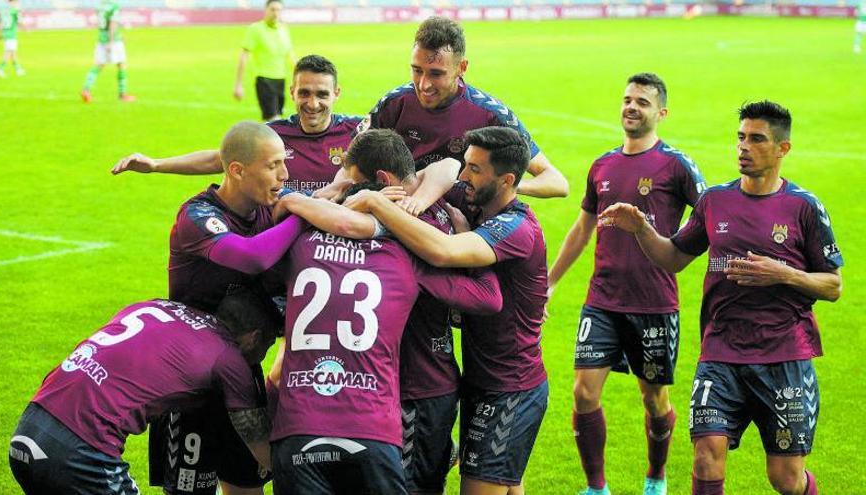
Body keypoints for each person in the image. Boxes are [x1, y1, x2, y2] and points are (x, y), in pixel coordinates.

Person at [599, 100, 843, 495]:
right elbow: (675, 257)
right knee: (705, 454)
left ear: (783, 149)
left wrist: (783, 274)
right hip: (720, 354)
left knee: (785, 479)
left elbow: (833, 286)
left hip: (782, 356)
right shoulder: (715, 201)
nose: (744, 147)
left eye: (757, 139)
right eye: (741, 138)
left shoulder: (804, 207)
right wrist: (642, 228)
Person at [345, 126, 549, 495]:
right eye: (467, 165)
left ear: (505, 180)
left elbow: (443, 253)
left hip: (510, 386)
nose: (463, 176)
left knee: (482, 486)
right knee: (506, 481)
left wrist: (376, 205)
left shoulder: (516, 227)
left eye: (474, 169)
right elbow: (440, 169)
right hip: (480, 378)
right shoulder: (476, 200)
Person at [271, 179, 503, 495]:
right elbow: (487, 299)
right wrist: (464, 236)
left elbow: (258, 248)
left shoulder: (301, 245)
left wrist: (301, 200)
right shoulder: (404, 257)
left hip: (299, 427)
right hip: (371, 428)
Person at [546, 73, 706, 495]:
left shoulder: (676, 165)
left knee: (654, 399)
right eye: (627, 99)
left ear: (661, 113)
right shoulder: (602, 165)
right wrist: (550, 282)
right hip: (602, 300)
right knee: (583, 392)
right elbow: (582, 229)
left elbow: (707, 216)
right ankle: (596, 487)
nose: (632, 107)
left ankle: (655, 476)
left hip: (654, 302)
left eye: (642, 102)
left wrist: (676, 248)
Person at [152, 121, 307, 495]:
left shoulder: (266, 213)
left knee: (247, 484)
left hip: (243, 372)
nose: (284, 175)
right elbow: (252, 257)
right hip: (192, 385)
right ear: (236, 170)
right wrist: (304, 214)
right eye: (273, 166)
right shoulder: (197, 217)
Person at [8, 289, 281, 494]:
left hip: (28, 429)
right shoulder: (229, 359)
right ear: (253, 337)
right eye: (267, 346)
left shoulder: (154, 306)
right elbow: (260, 449)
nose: (260, 357)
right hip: (80, 454)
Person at [357, 16, 569, 199]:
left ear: (462, 67)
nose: (423, 85)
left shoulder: (491, 115)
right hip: (402, 213)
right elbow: (352, 163)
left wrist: (500, 186)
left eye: (436, 73)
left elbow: (556, 182)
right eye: (417, 70)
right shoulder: (395, 103)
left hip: (462, 227)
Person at [112, 55, 357, 192]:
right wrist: (156, 165)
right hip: (284, 242)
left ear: (336, 93)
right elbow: (220, 159)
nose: (313, 104)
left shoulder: (357, 133)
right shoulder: (273, 135)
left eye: (322, 94)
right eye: (304, 93)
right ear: (292, 92)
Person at [235, 0, 296, 121]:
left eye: (278, 10)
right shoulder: (255, 29)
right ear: (266, 10)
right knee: (274, 120)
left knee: (276, 120)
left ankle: (266, 139)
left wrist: (300, 79)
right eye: (272, 9)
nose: (275, 13)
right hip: (264, 80)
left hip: (281, 80)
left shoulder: (283, 30)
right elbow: (244, 56)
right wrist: (239, 84)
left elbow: (291, 57)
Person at [80, 0, 134, 102]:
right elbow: (112, 24)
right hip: (112, 40)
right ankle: (122, 95)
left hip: (101, 38)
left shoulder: (100, 5)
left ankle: (86, 89)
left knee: (98, 65)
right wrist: (111, 41)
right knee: (121, 64)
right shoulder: (114, 6)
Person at [0, 0, 24, 78]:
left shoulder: (2, 11)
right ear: (13, 2)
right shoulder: (15, 11)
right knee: (8, 52)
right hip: (12, 34)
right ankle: (0, 69)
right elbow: (19, 22)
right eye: (16, 2)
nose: (17, 3)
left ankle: (18, 69)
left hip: (5, 34)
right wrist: (26, 29)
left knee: (13, 52)